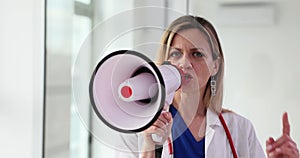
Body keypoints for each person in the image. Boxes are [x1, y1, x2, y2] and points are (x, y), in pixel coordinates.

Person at [115, 15, 298, 158]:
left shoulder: (239, 129)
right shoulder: (139, 127)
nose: (184, 63)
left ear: (215, 66)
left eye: (197, 54)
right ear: (165, 62)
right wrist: (149, 147)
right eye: (176, 53)